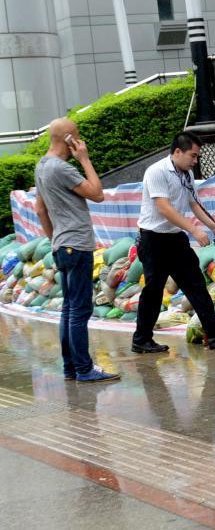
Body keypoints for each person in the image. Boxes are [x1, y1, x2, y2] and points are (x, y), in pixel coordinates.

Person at [132, 132, 215, 354]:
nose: (195, 160)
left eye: (197, 156)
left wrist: (213, 227)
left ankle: (214, 332)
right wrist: (193, 230)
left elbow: (194, 204)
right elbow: (164, 208)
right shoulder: (157, 172)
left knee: (195, 283)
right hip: (153, 238)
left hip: (175, 238)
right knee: (154, 290)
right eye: (193, 155)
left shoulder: (186, 174)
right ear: (177, 152)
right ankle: (141, 339)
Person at [34, 118, 119, 383]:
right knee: (79, 311)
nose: (80, 141)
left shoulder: (42, 166)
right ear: (69, 139)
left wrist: (55, 240)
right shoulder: (62, 168)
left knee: (69, 309)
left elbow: (40, 209)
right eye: (77, 137)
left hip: (61, 244)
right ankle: (84, 368)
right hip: (77, 244)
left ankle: (71, 368)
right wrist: (84, 159)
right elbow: (97, 193)